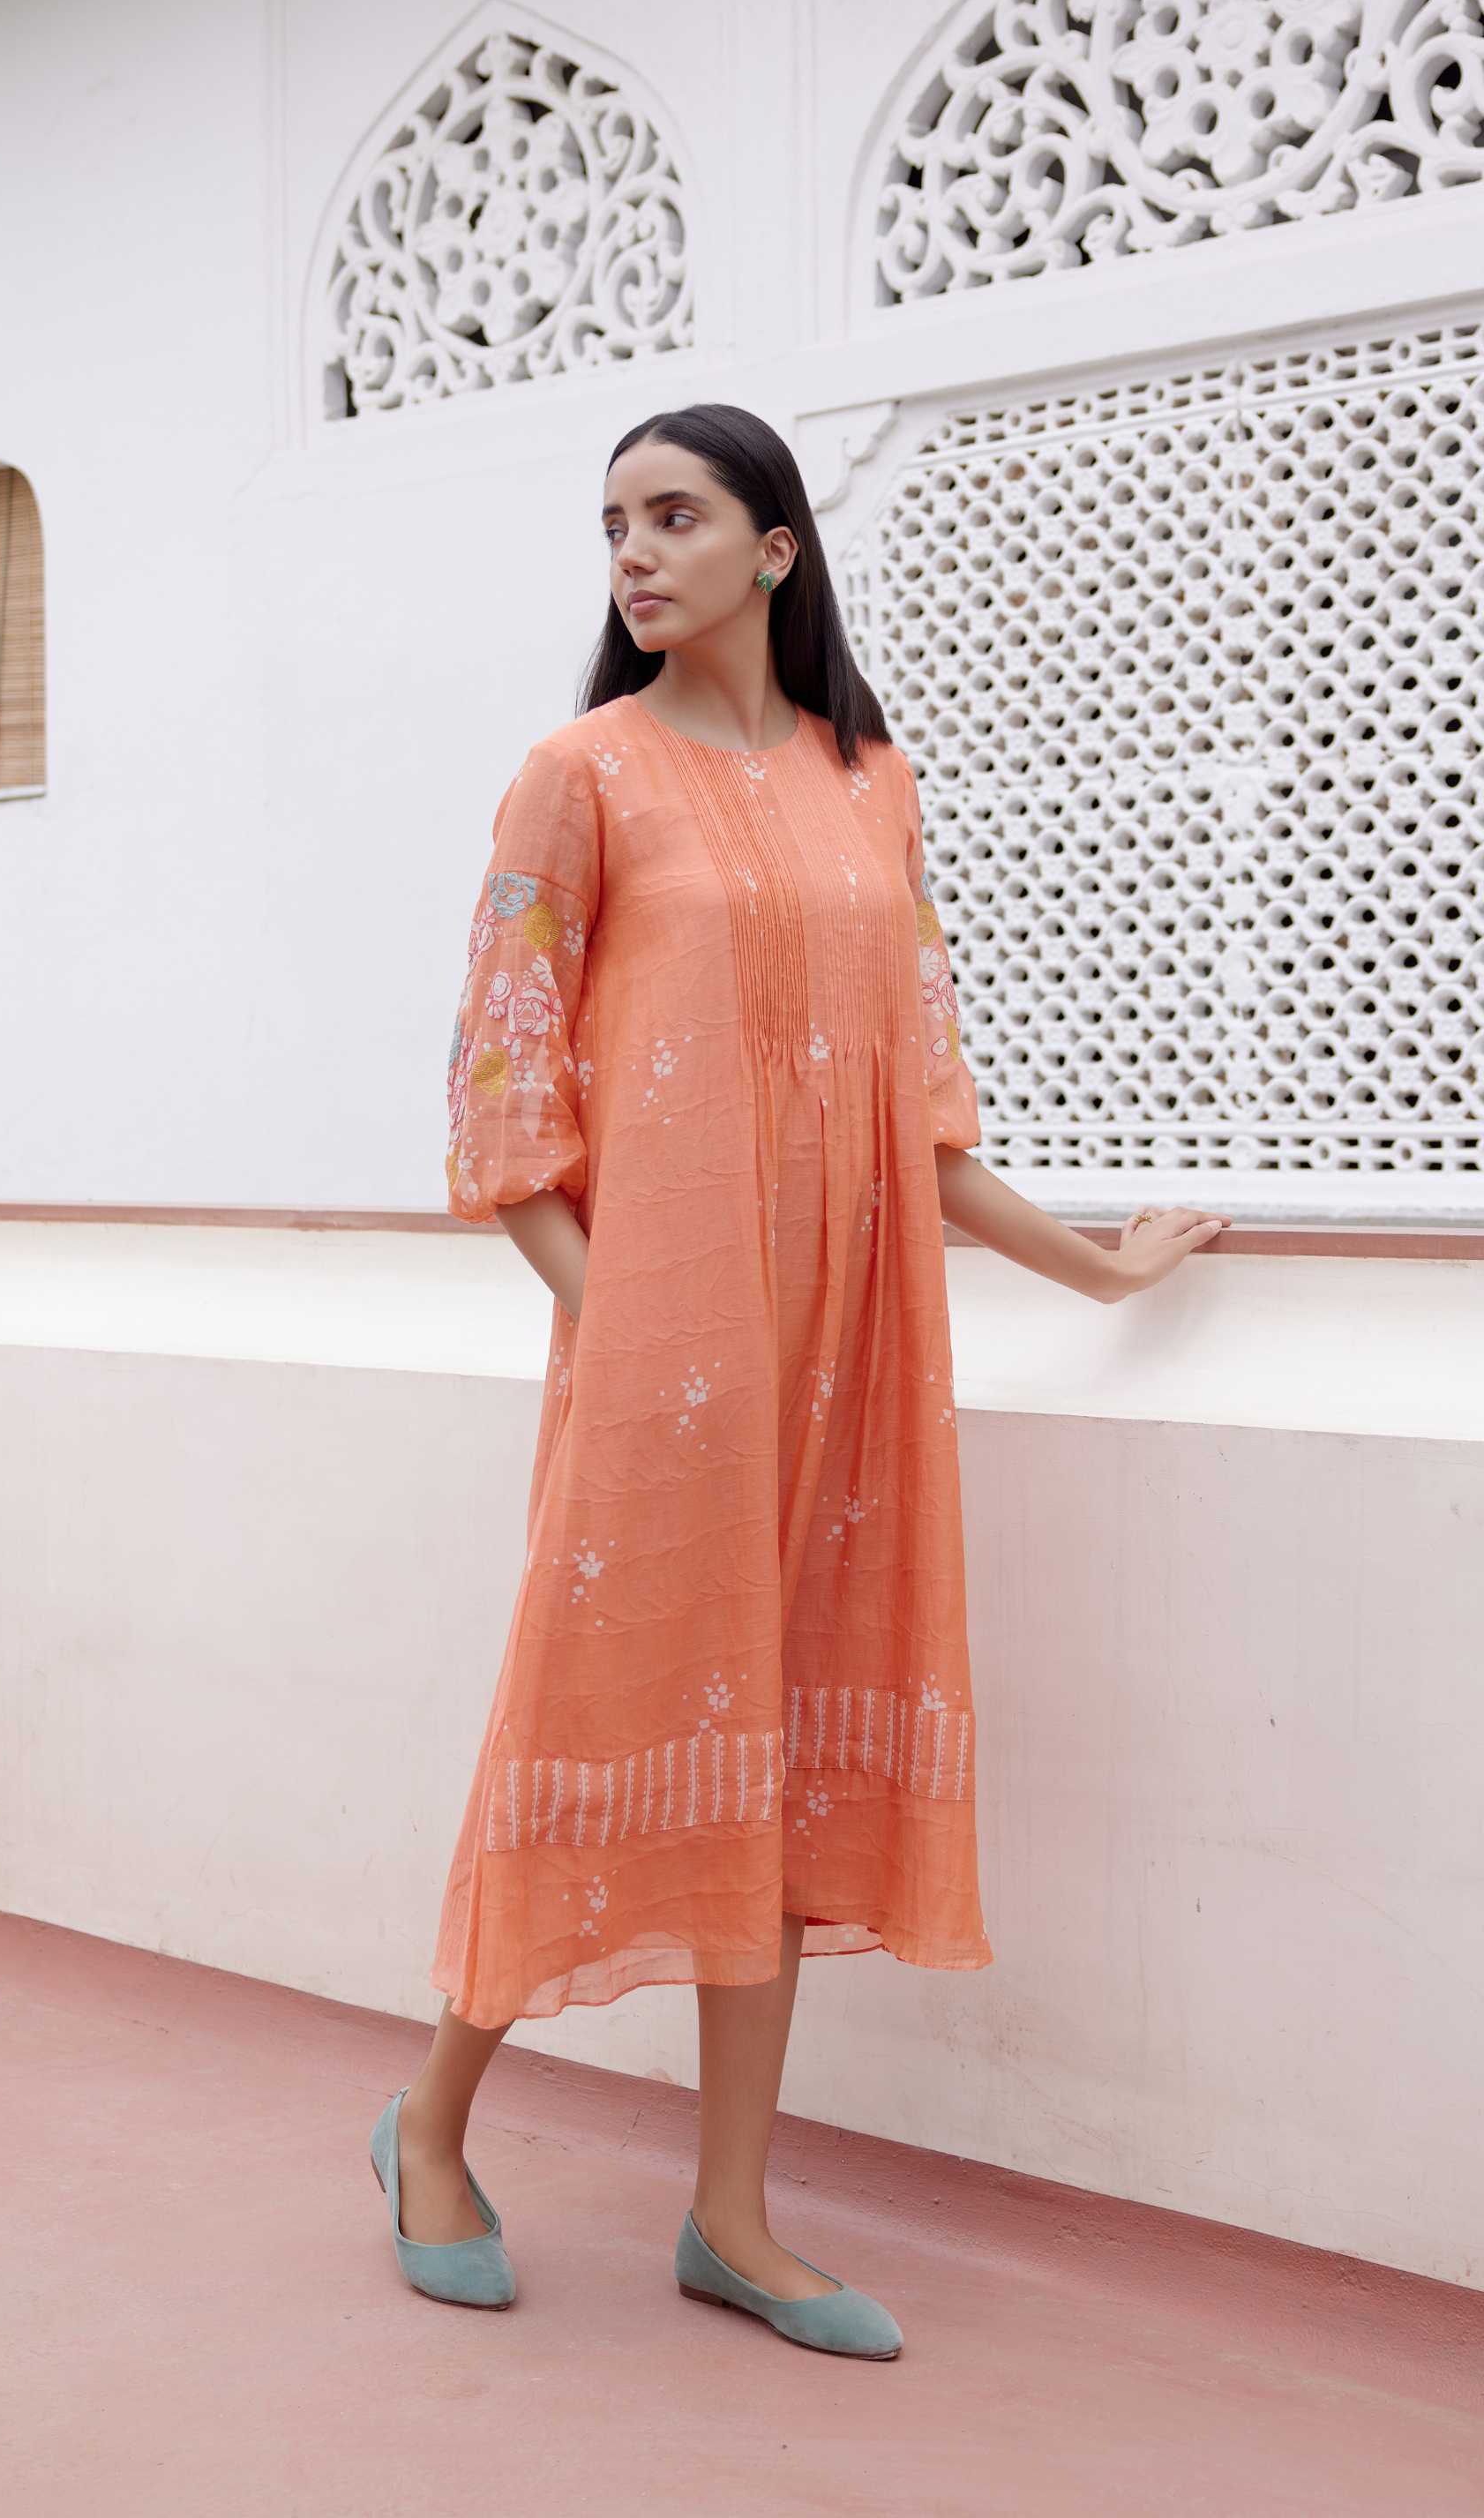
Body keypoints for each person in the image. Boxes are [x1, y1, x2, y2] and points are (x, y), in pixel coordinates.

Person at [368, 404, 1227, 2356]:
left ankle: (733, 2219)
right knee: (581, 1736)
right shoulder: (573, 783)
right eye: (613, 526)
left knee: (773, 1761)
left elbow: (910, 1123)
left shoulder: (872, 790)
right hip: (661, 1370)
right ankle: (427, 2129)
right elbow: (500, 1107)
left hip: (845, 1368)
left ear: (773, 548)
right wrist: (629, 1342)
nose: (634, 554)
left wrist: (1095, 1266)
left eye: (674, 516)